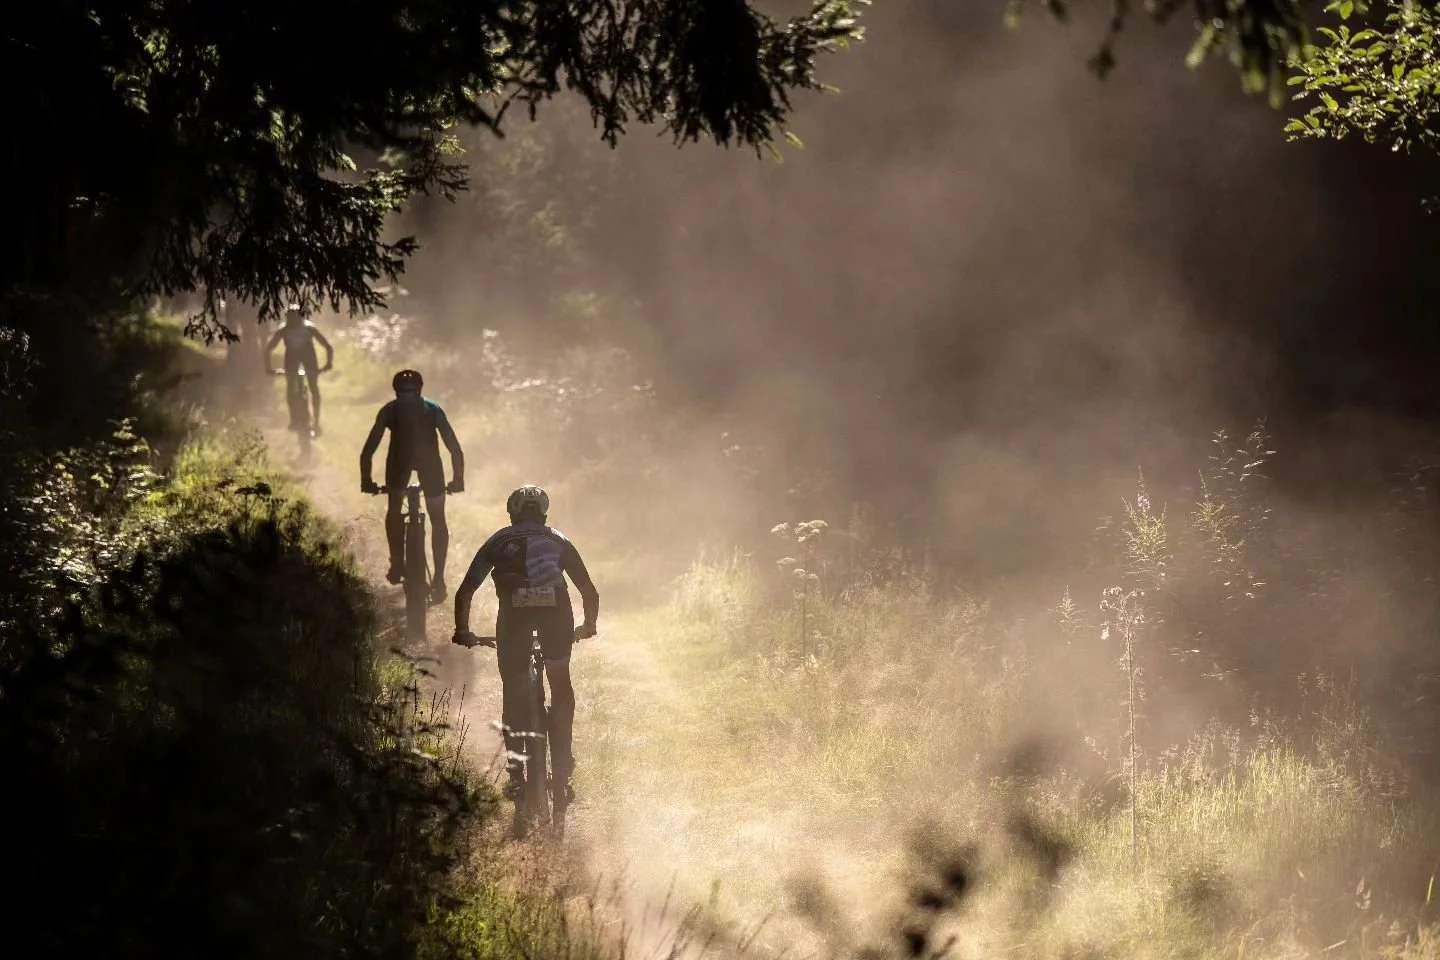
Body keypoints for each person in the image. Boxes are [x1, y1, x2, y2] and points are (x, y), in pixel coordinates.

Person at [452, 485, 599, 802]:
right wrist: (588, 626)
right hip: (557, 614)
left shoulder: (497, 541)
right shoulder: (559, 540)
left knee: (514, 689)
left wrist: (463, 631)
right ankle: (564, 759)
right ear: (544, 514)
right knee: (561, 684)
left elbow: (465, 592)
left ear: (511, 513)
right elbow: (589, 592)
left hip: (513, 620)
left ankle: (516, 774)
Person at [359, 369, 465, 601]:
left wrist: (367, 481)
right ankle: (438, 578)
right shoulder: (433, 409)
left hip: (398, 464)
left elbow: (368, 450)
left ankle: (397, 563)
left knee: (395, 508)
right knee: (438, 519)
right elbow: (454, 448)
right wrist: (458, 480)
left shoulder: (389, 411)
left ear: (395, 391)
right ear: (420, 390)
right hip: (432, 466)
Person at [264, 304, 334, 435]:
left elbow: (328, 346)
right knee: (300, 387)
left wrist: (269, 368)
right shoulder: (286, 329)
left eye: (293, 318)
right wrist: (328, 364)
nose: (292, 321)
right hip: (297, 359)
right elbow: (328, 347)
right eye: (290, 318)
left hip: (305, 359)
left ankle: (311, 421)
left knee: (309, 387)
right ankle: (297, 420)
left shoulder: (304, 328)